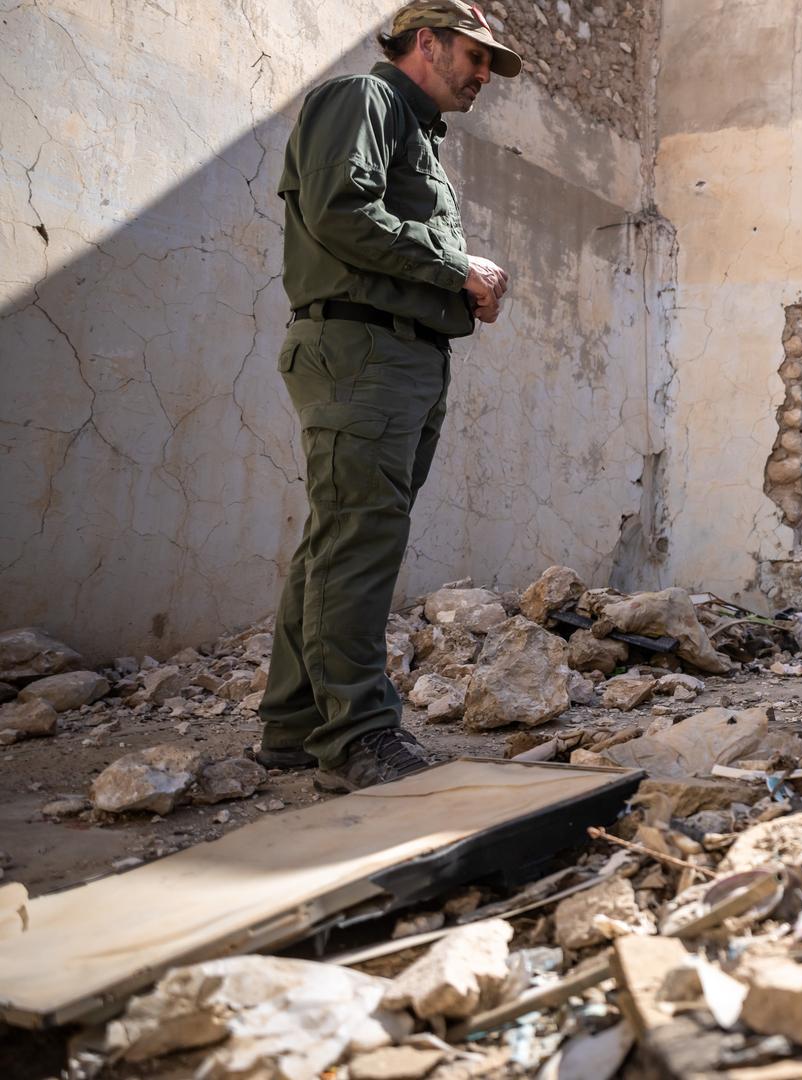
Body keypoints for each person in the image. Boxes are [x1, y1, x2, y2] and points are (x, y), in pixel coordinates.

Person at [255, 0, 521, 791]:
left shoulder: (413, 133)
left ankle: (294, 725)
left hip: (396, 352)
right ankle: (359, 739)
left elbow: (377, 227)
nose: (483, 76)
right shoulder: (361, 101)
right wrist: (453, 269)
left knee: (340, 536)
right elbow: (341, 214)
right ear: (426, 42)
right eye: (474, 58)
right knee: (359, 538)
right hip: (360, 349)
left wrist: (462, 275)